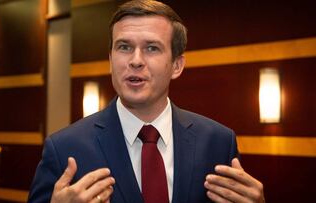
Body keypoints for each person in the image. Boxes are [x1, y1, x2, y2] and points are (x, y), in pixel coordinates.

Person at [28, 0, 265, 202]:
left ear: (177, 65)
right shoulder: (64, 149)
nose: (136, 60)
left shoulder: (218, 143)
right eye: (124, 47)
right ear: (111, 59)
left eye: (151, 48)